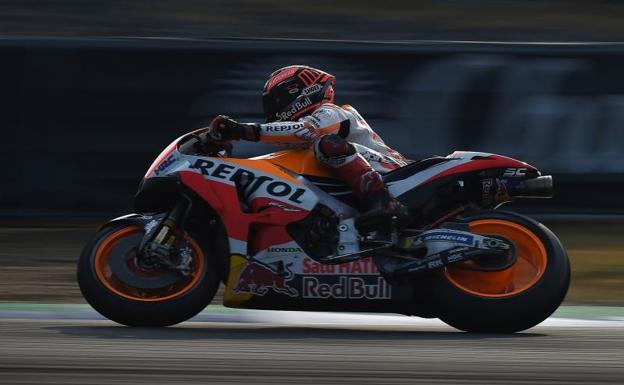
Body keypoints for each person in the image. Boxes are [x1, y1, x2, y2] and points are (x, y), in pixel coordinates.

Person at [207, 65, 409, 230]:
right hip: (357, 183)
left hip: (393, 174)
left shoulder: (331, 112)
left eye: (277, 101)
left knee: (327, 144)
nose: (273, 111)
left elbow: (306, 129)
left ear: (300, 91)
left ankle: (383, 202)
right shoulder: (297, 138)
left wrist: (243, 131)